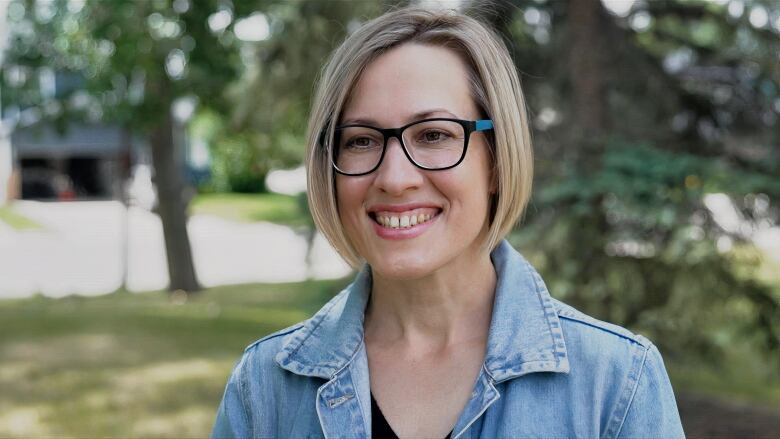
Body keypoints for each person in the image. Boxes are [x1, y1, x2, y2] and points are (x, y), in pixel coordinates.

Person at [211, 6, 685, 439]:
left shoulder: (617, 384)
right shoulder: (266, 390)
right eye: (360, 141)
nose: (395, 178)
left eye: (434, 134)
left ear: (496, 160)